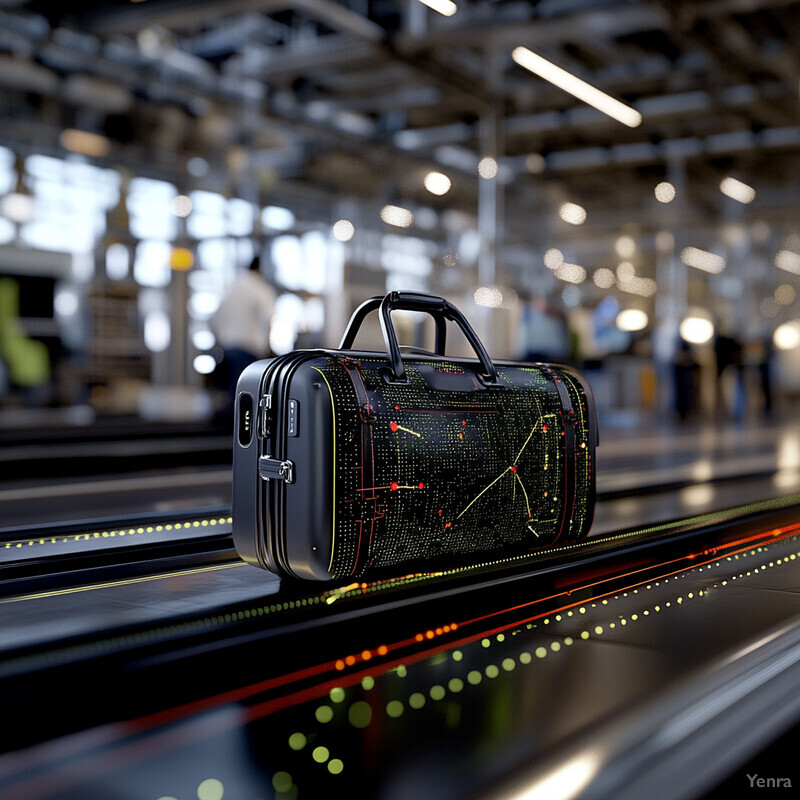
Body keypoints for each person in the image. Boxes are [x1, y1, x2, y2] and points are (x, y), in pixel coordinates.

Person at [209, 255, 276, 424]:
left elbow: (214, 318)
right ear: (260, 269)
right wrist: (268, 347)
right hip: (249, 347)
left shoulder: (233, 287)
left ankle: (225, 426)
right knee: (246, 394)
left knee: (232, 390)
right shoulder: (260, 288)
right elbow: (268, 319)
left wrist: (218, 341)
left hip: (228, 346)